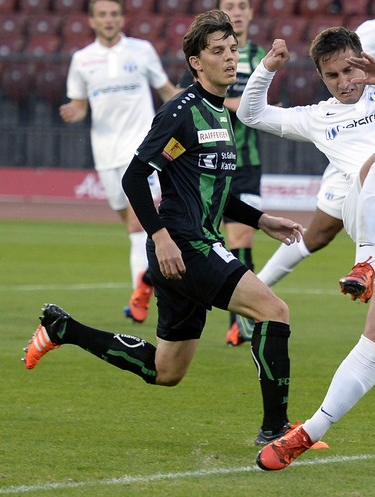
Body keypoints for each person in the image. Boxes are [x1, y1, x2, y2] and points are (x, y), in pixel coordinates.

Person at [24, 10, 305, 446]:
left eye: (232, 49)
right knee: (274, 310)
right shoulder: (181, 112)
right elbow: (135, 177)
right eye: (218, 51)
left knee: (167, 371)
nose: (230, 58)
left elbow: (213, 190)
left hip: (185, 248)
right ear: (196, 62)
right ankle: (276, 430)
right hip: (186, 245)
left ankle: (65, 330)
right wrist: (160, 237)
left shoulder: (218, 112)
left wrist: (261, 219)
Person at [237, 27, 375, 469]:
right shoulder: (318, 117)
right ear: (320, 76)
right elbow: (252, 114)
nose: (344, 82)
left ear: (362, 60)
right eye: (332, 76)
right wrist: (266, 69)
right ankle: (364, 264)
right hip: (364, 207)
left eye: (350, 70)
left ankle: (307, 433)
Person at [253, 0, 375, 360]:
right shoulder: (372, 32)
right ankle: (255, 290)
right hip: (353, 151)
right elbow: (344, 68)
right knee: (319, 234)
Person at [59, 0, 180, 325]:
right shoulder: (82, 59)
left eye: (114, 14)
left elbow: (166, 90)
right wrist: (73, 113)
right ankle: (150, 282)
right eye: (102, 15)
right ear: (92, 21)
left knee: (139, 223)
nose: (109, 19)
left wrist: (193, 105)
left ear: (122, 18)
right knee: (132, 226)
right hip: (105, 153)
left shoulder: (141, 51)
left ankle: (140, 295)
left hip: (141, 148)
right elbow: (80, 105)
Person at [177, 0, 267, 347]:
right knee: (208, 236)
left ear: (252, 13)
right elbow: (187, 94)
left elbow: (257, 105)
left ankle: (239, 322)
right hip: (208, 161)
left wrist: (235, 104)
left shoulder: (258, 56)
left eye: (243, 5)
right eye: (231, 5)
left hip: (247, 162)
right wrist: (233, 104)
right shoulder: (204, 52)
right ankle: (157, 281)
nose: (238, 11)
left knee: (242, 237)